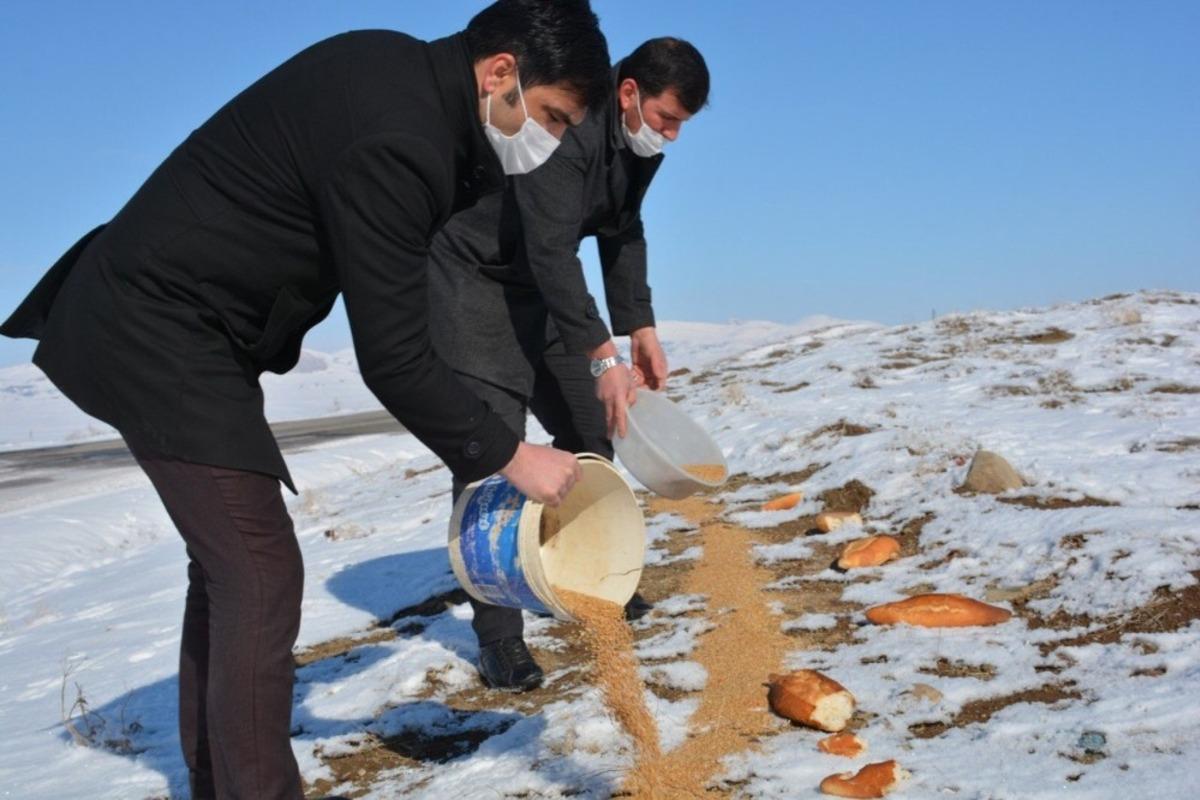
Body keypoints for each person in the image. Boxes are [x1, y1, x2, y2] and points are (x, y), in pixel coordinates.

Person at [1, 2, 610, 797]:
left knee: (230, 570)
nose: (555, 141)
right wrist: (509, 452)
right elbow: (392, 358)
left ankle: (221, 777)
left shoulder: (397, 74)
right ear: (502, 73)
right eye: (555, 116)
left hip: (183, 328)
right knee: (257, 572)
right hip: (159, 329)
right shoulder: (403, 138)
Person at [429, 37, 710, 691]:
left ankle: (586, 575)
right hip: (474, 287)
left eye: (681, 126)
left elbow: (622, 229)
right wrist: (603, 351)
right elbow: (555, 251)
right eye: (666, 118)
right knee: (491, 456)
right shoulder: (569, 129)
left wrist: (637, 324)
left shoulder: (639, 145)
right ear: (629, 92)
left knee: (592, 424)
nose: (670, 135)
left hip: (548, 296)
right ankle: (499, 640)